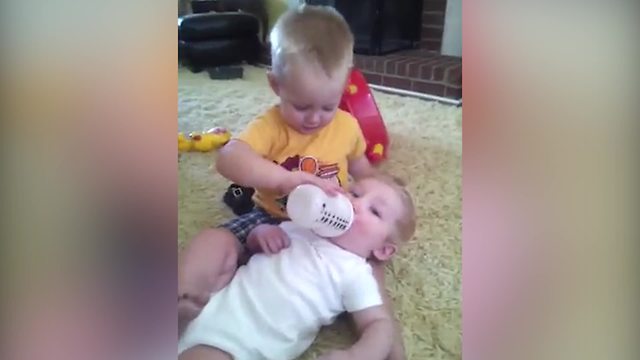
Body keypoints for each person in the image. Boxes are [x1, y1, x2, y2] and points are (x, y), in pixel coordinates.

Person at [179, 5, 407, 358]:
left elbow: (363, 171)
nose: (315, 118)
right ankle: (184, 295)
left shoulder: (347, 125)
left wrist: (379, 196)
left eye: (328, 106)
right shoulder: (271, 125)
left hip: (335, 225)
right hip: (273, 215)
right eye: (301, 106)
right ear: (276, 85)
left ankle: (384, 344)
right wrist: (285, 180)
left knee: (368, 266)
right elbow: (229, 159)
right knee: (214, 239)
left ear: (343, 90)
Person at [179, 175, 417, 360]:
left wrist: (357, 355)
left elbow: (379, 324)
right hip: (210, 304)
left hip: (242, 341)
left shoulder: (356, 273)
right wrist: (260, 233)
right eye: (354, 193)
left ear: (383, 250)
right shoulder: (299, 227)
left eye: (375, 211)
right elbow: (248, 249)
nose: (356, 204)